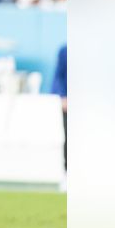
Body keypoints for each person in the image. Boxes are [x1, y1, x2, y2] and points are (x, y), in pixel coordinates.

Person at [52, 44, 67, 191]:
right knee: (68, 139)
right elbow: (58, 75)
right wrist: (62, 96)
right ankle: (67, 174)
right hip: (69, 104)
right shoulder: (64, 51)